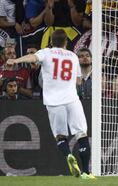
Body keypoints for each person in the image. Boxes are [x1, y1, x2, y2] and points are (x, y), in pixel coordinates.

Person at [6, 29, 95, 179]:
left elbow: (32, 57)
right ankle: (87, 172)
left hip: (54, 102)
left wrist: (15, 60)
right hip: (72, 100)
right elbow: (78, 81)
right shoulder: (73, 56)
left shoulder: (46, 53)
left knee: (60, 136)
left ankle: (68, 155)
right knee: (81, 134)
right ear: (66, 42)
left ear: (51, 42)